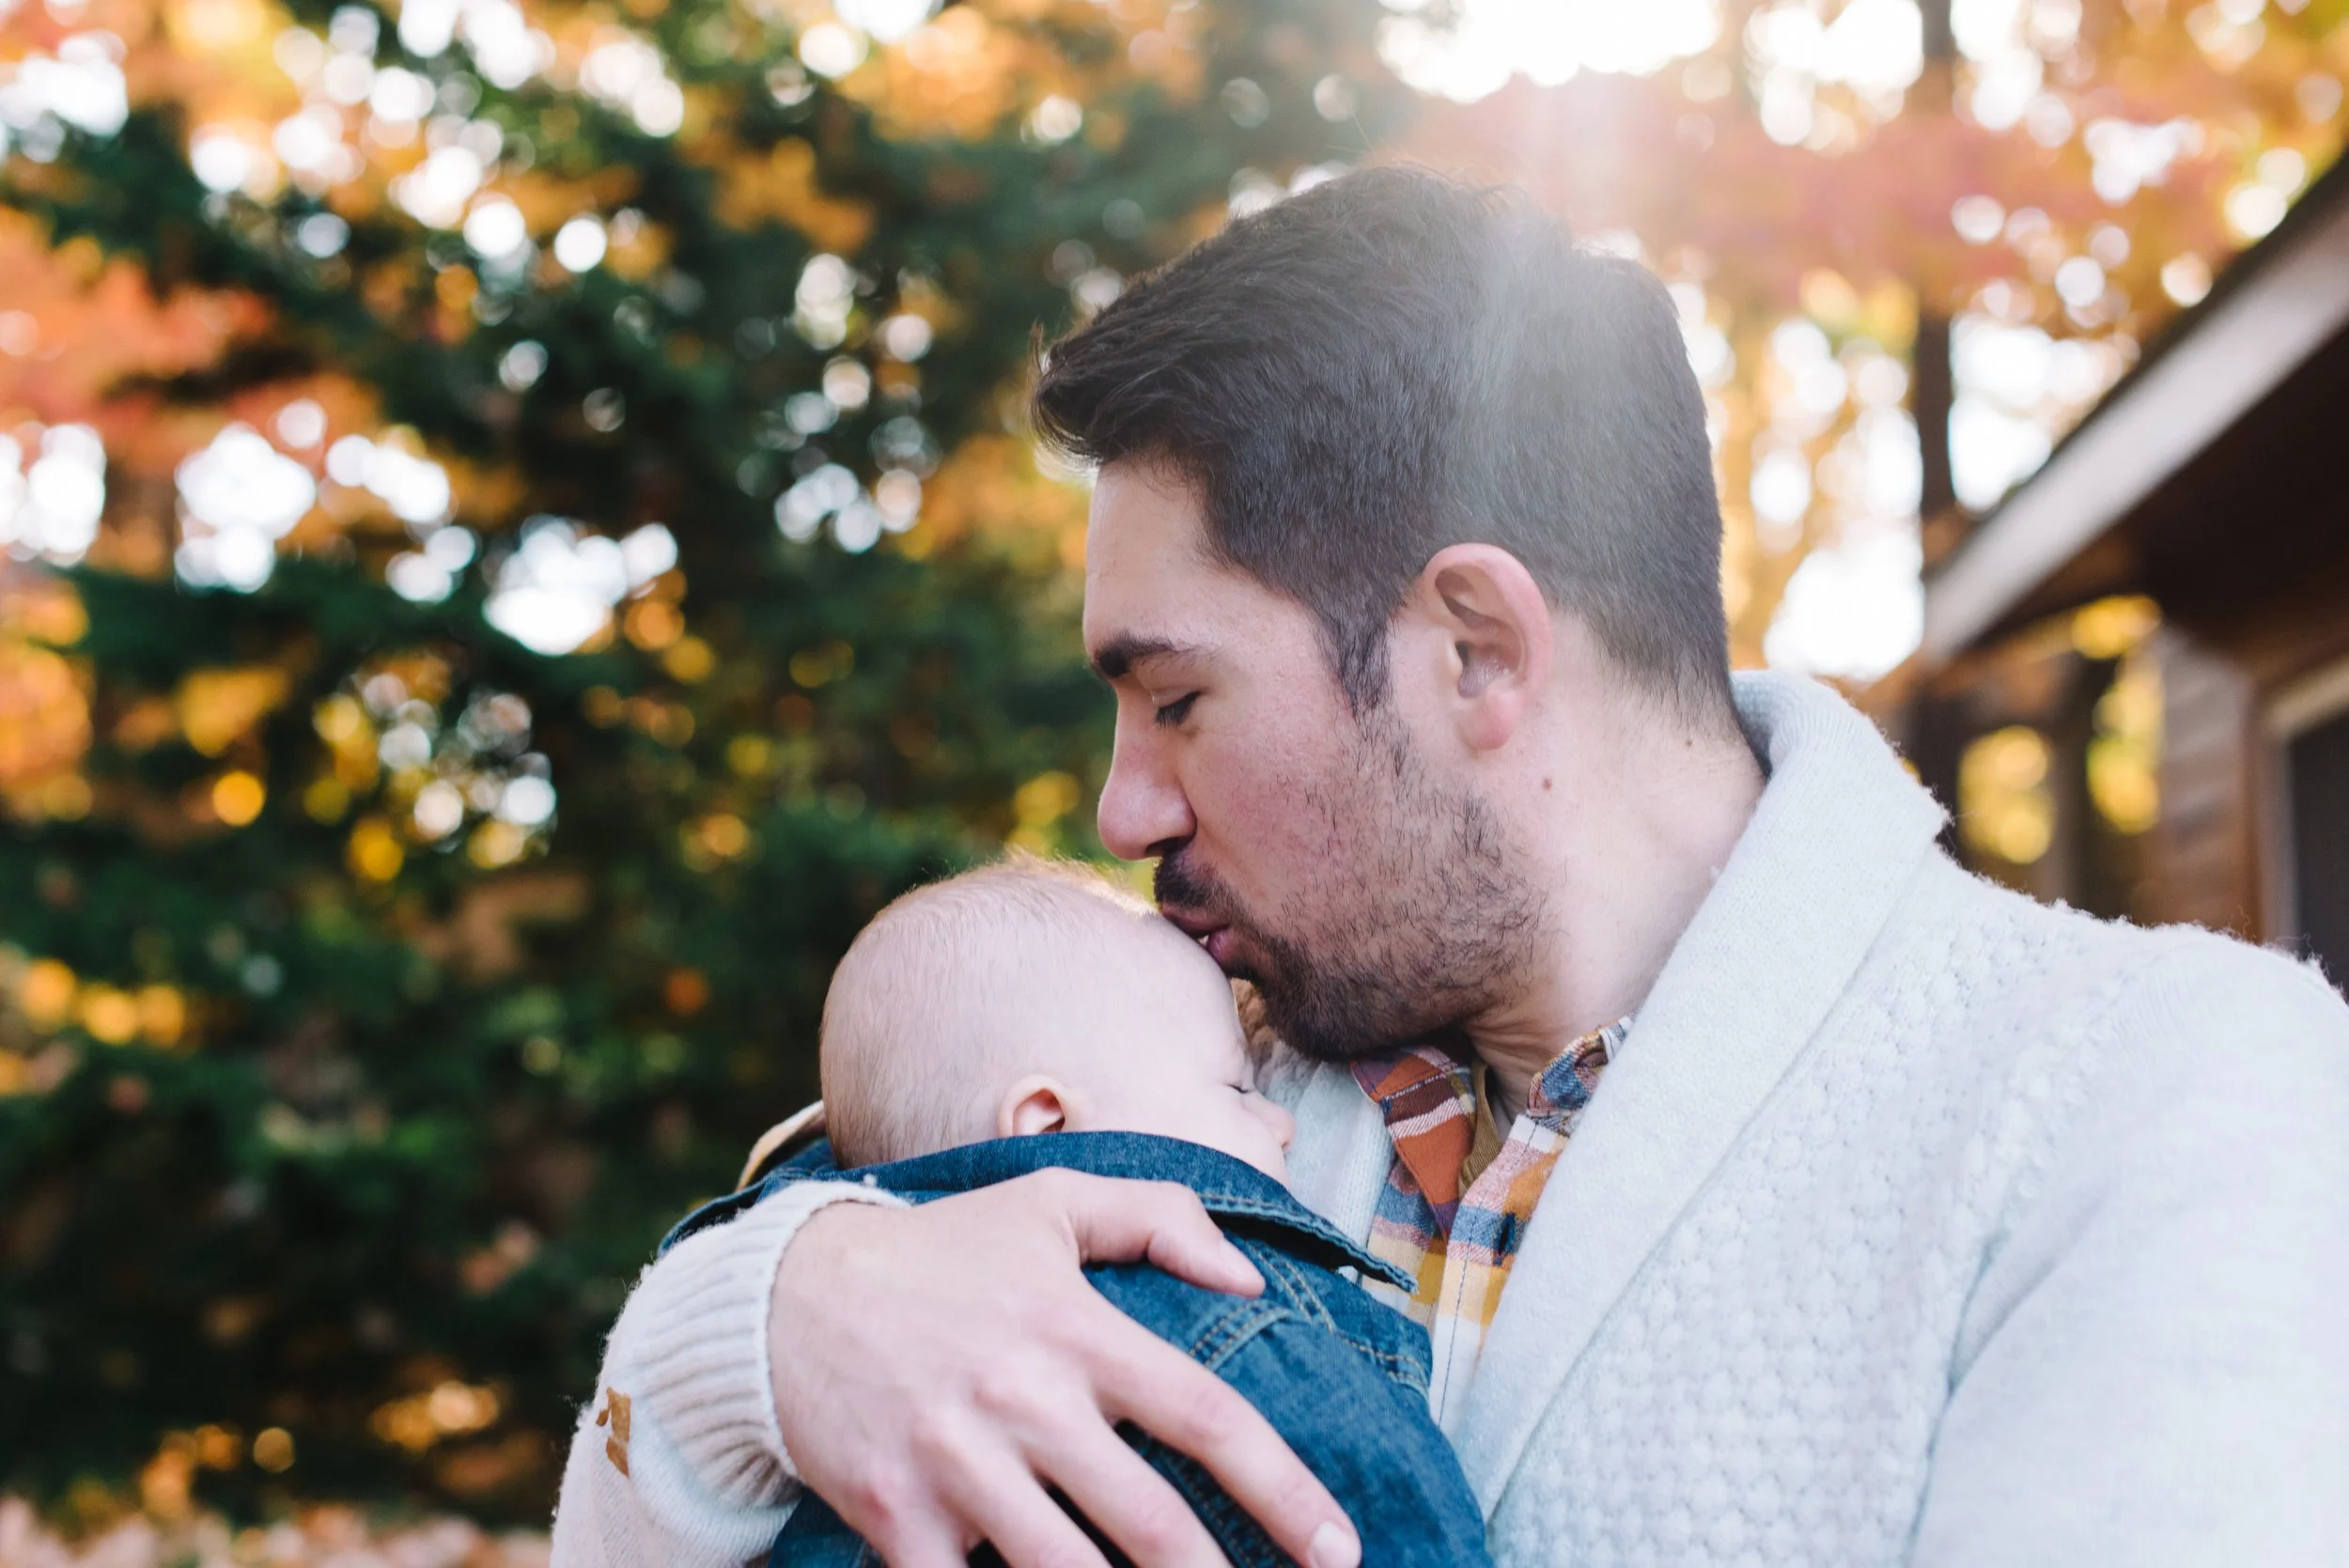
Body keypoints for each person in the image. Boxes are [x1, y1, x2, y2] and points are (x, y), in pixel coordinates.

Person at [553, 167, 2349, 1567]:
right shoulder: (1182, 1075)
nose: (1122, 812)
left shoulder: (2157, 1095)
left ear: (1476, 646)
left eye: (1176, 696)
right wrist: (768, 1316)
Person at [676, 857, 1492, 1565]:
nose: (1278, 1120)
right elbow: (1385, 1520)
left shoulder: (833, 1396)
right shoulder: (1222, 1310)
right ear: (1049, 1125)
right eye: (1238, 1090)